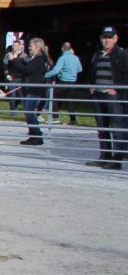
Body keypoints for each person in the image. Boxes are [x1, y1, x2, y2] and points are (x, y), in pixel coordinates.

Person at [88, 25, 125, 170]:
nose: (107, 40)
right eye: (105, 37)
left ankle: (116, 159)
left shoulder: (122, 54)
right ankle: (104, 156)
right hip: (98, 95)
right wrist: (90, 86)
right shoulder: (97, 54)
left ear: (115, 38)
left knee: (116, 127)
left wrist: (117, 89)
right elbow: (91, 72)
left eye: (110, 37)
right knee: (102, 127)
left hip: (113, 97)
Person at [12, 37, 50, 146]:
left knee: (29, 114)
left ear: (38, 48)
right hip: (32, 90)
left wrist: (15, 60)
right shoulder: (35, 59)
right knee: (29, 113)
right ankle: (34, 135)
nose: (29, 48)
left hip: (35, 90)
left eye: (31, 46)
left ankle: (37, 136)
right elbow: (27, 69)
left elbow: (27, 70)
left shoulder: (39, 59)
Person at [45, 42, 82, 124]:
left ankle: (55, 117)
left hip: (63, 81)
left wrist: (46, 74)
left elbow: (56, 70)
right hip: (72, 83)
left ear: (62, 49)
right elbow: (80, 69)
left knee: (54, 96)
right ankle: (73, 120)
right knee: (70, 101)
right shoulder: (76, 58)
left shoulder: (62, 58)